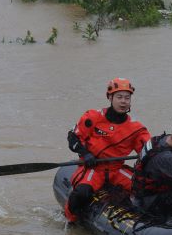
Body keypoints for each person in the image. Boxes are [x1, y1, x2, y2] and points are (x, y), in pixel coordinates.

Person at [64, 78, 151, 222]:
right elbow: (73, 138)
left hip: (116, 170)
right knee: (81, 193)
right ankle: (70, 220)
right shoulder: (92, 117)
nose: (123, 101)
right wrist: (85, 154)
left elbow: (149, 150)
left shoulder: (136, 128)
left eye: (127, 98)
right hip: (93, 167)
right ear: (110, 98)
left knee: (147, 189)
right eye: (119, 97)